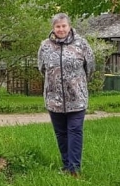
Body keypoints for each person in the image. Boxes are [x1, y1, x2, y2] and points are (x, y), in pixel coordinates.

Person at [38, 13, 95, 176]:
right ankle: (66, 164)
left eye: (64, 26)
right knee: (61, 133)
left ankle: (74, 168)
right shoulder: (45, 46)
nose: (61, 29)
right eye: (58, 26)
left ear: (69, 26)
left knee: (75, 131)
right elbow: (42, 68)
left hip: (76, 98)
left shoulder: (81, 44)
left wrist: (77, 84)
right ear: (53, 28)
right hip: (54, 99)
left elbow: (90, 68)